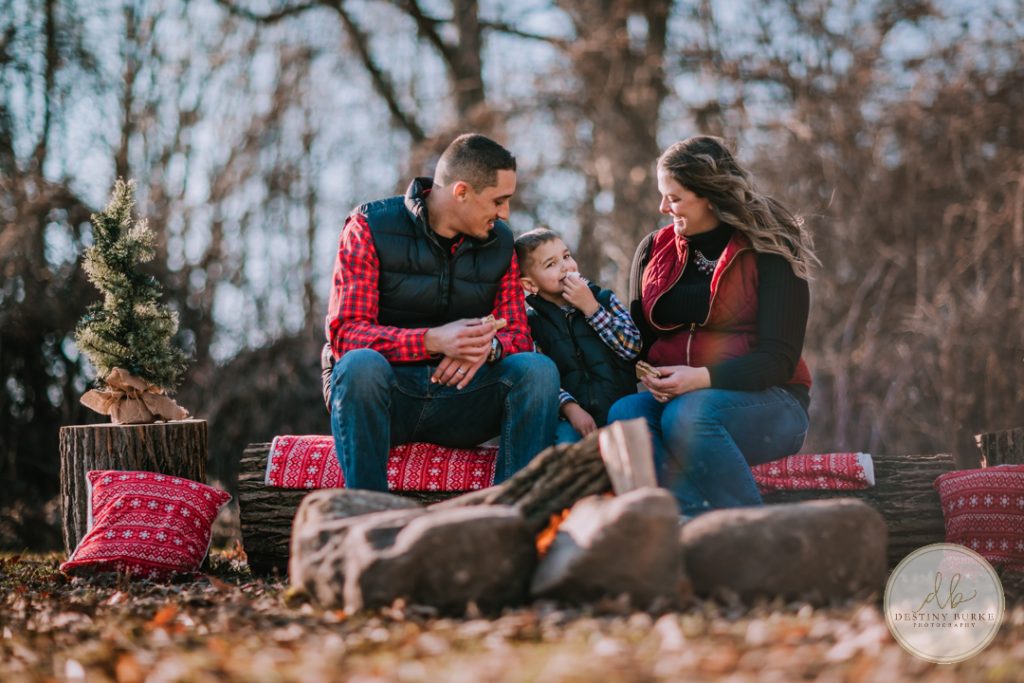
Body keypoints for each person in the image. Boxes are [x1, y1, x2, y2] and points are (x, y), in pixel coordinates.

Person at [325, 133, 560, 490]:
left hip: (462, 397)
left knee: (538, 371)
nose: (505, 213)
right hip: (387, 399)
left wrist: (486, 349)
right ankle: (369, 517)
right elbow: (346, 335)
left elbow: (518, 335)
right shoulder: (369, 226)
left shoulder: (502, 244)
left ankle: (513, 520)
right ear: (461, 191)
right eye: (499, 200)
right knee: (359, 365)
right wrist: (433, 341)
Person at [608, 135, 819, 518]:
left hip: (773, 403)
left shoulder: (769, 248)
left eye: (674, 198)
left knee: (688, 416)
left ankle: (751, 535)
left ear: (708, 194)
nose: (662, 207)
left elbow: (779, 359)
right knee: (626, 415)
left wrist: (701, 378)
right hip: (680, 401)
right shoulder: (653, 250)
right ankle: (684, 528)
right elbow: (639, 343)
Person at [514, 229, 641, 444]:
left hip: (619, 408)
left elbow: (632, 347)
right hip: (573, 418)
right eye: (551, 264)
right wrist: (570, 409)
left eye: (566, 256)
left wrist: (592, 308)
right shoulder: (532, 325)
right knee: (565, 440)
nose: (565, 266)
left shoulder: (604, 300)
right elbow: (540, 380)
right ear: (530, 285)